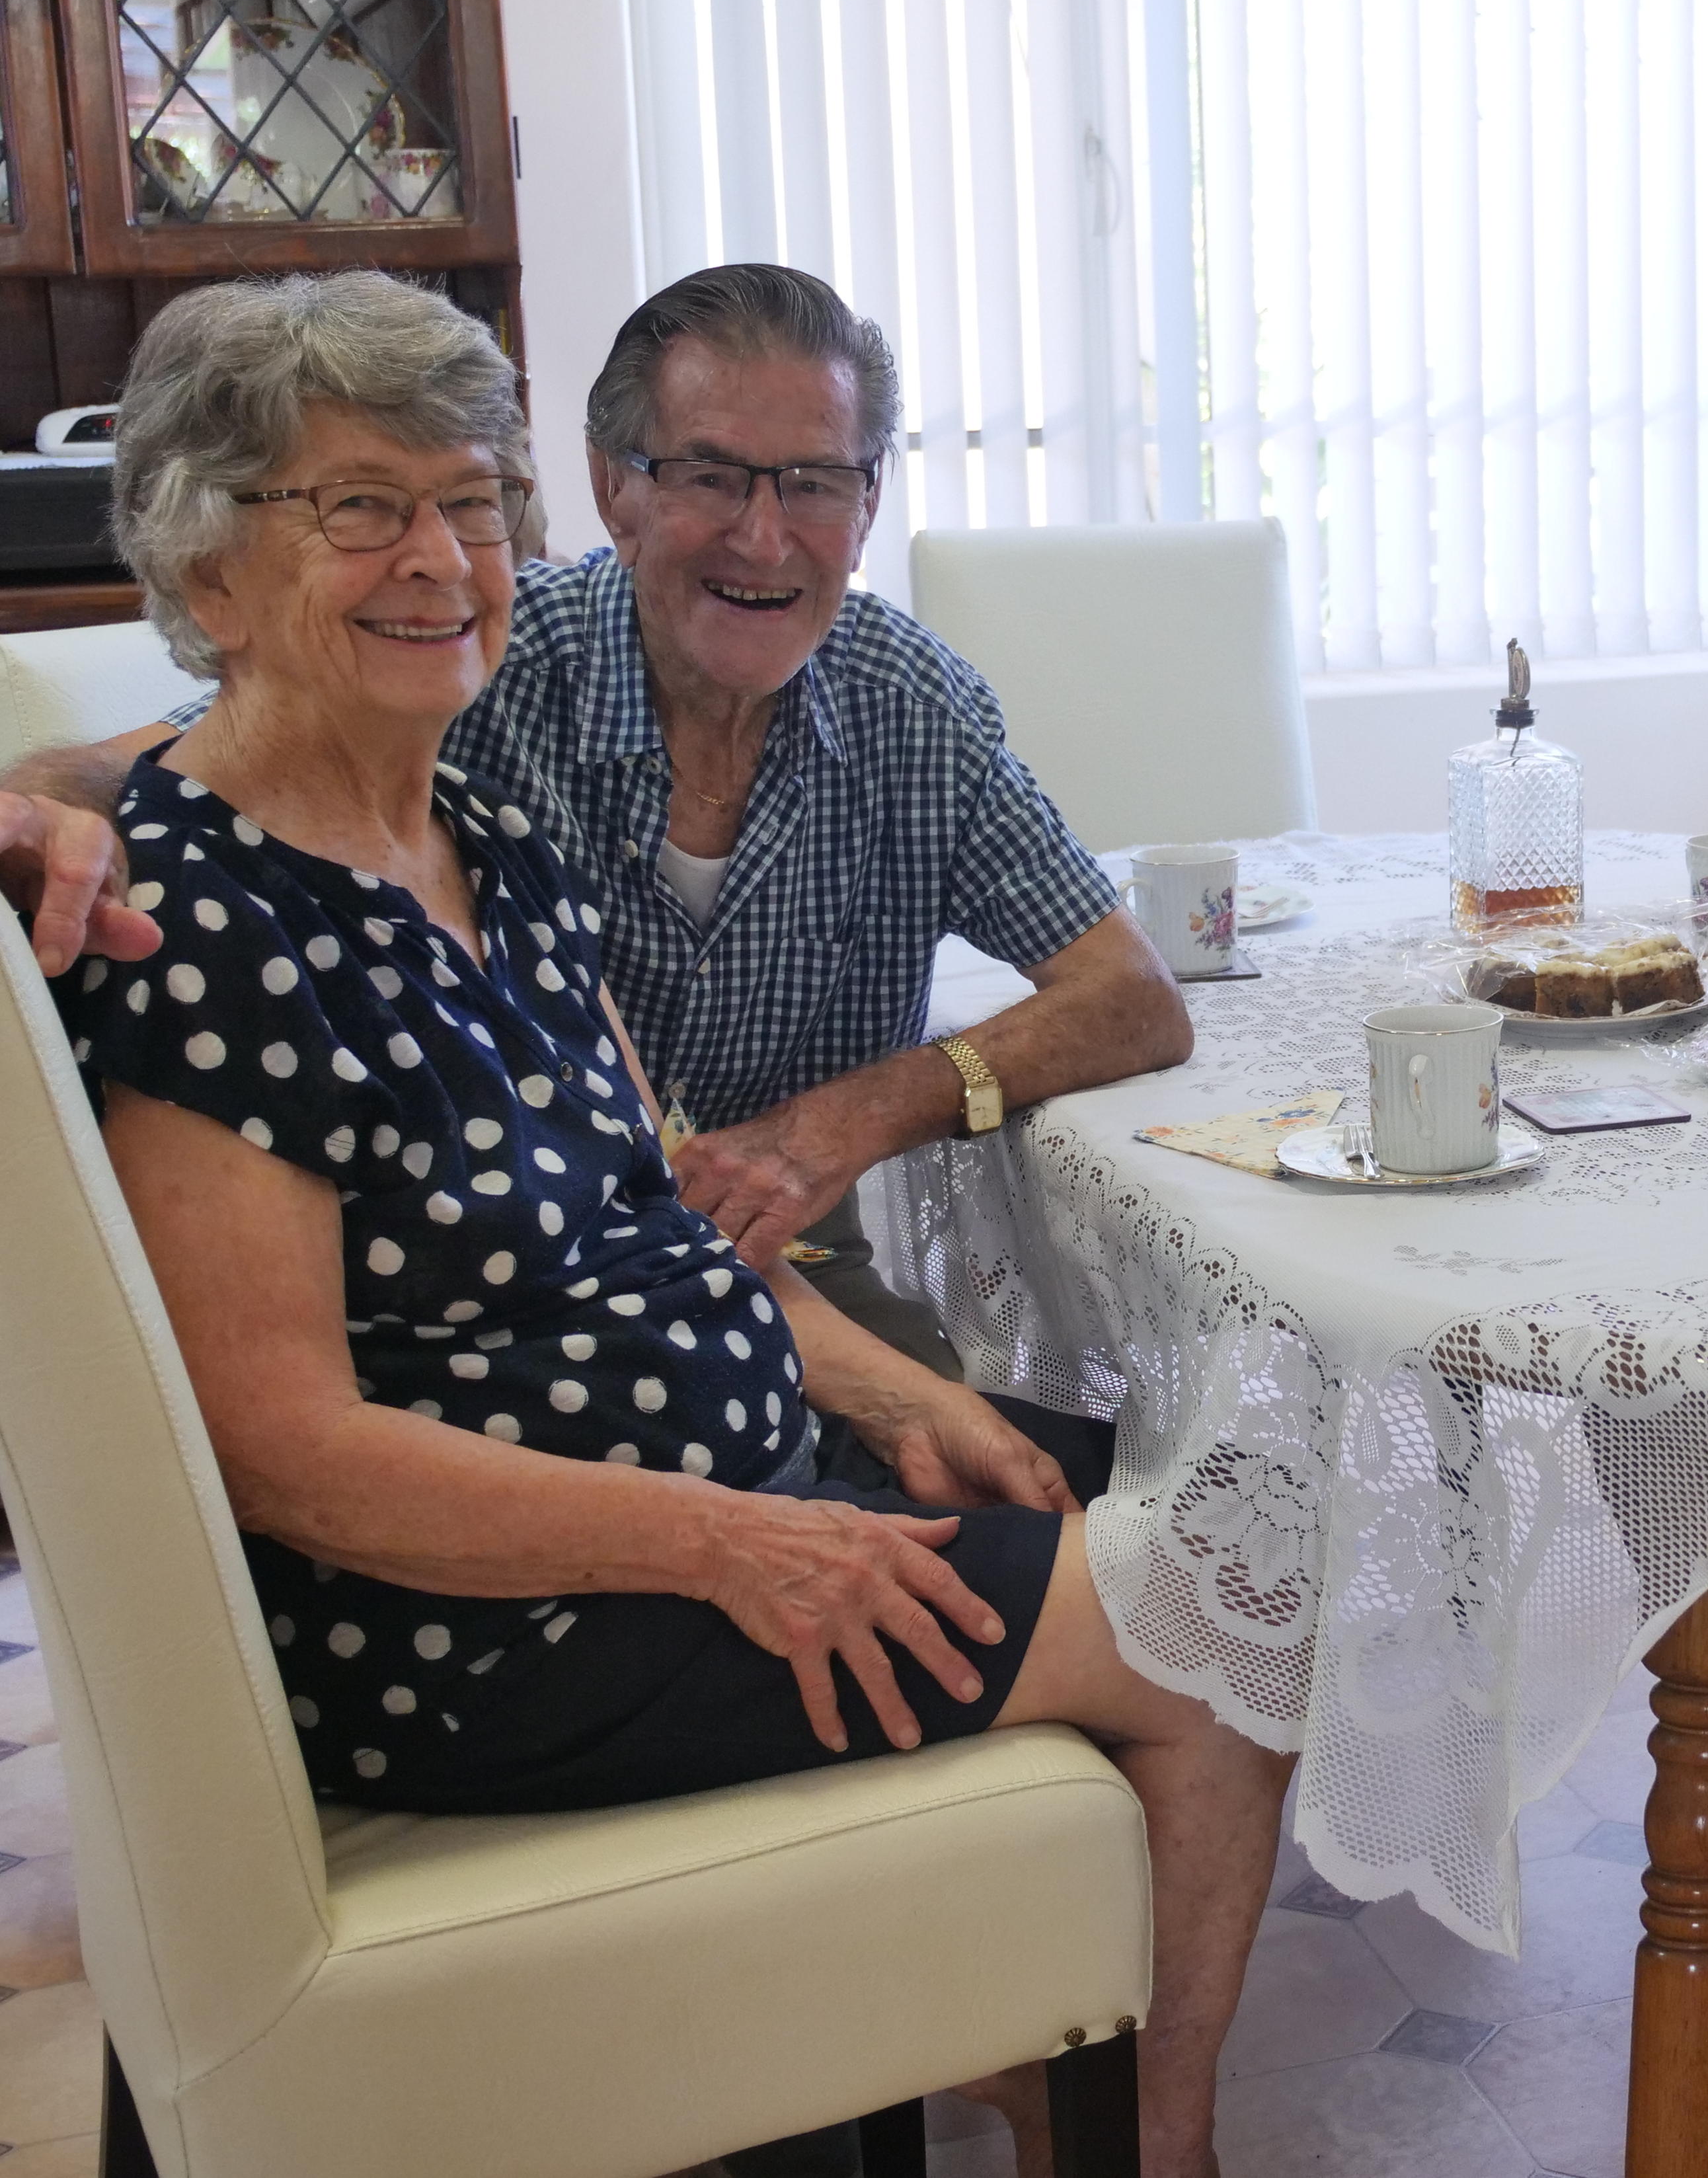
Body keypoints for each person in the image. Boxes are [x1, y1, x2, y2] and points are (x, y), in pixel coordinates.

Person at [43, 274, 1287, 2178]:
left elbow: (642, 1213)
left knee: (1149, 1513)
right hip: (486, 1611)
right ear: (210, 576)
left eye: (469, 500)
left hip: (677, 1501)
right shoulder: (207, 917)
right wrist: (740, 1538)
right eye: (357, 506)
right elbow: (280, 1442)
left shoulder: (481, 840)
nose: (439, 556)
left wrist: (882, 1401)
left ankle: (965, 2032)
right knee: (1221, 1619)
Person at [7, 262, 1192, 1413]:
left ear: (869, 501)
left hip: (788, 1277)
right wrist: (41, 795)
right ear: (611, 485)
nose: (766, 538)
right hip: (510, 1305)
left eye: (817, 483)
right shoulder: (469, 664)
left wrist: (845, 1120)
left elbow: (1129, 996)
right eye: (713, 476)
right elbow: (187, 755)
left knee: (1113, 1504)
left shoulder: (905, 703)